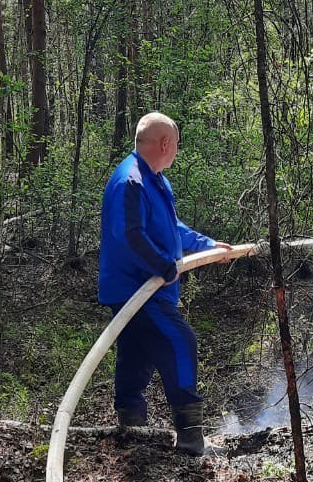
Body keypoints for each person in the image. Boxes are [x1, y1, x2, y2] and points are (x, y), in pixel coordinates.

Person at [98, 112, 231, 455]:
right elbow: (129, 235)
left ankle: (132, 429)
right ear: (165, 143)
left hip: (148, 288)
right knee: (179, 340)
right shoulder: (131, 181)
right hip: (138, 290)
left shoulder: (154, 179)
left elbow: (172, 229)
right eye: (176, 145)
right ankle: (190, 437)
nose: (176, 151)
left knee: (136, 353)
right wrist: (164, 267)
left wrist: (209, 245)